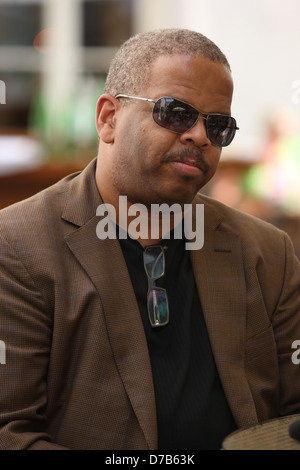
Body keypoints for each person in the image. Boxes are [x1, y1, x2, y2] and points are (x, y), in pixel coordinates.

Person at [0, 28, 300, 451]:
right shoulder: (17, 244)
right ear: (108, 119)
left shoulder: (266, 252)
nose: (199, 135)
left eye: (217, 126)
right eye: (175, 113)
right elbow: (9, 432)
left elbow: (292, 418)